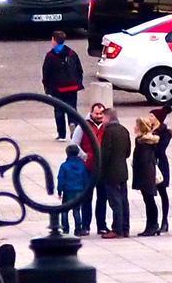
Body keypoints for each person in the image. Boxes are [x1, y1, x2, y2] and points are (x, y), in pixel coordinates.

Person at [69, 102, 108, 236]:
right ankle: (85, 226)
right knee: (87, 198)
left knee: (103, 197)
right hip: (88, 168)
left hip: (103, 167)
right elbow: (74, 143)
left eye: (101, 113)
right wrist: (85, 156)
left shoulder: (107, 126)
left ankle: (102, 225)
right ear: (91, 113)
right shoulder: (83, 126)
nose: (98, 116)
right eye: (96, 113)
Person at [42, 30, 84, 140]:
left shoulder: (50, 56)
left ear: (54, 41)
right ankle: (73, 124)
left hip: (58, 88)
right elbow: (79, 69)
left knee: (59, 110)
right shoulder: (72, 53)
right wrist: (78, 82)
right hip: (72, 86)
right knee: (72, 108)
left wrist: (47, 87)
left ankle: (61, 135)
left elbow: (46, 72)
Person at [99, 107, 131, 238]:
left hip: (111, 172)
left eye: (103, 117)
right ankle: (125, 228)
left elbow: (105, 154)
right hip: (123, 170)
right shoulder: (124, 130)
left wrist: (100, 170)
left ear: (108, 118)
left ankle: (117, 229)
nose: (102, 120)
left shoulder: (109, 132)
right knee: (124, 200)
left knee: (115, 201)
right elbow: (128, 152)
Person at [131, 116, 161, 236]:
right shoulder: (145, 142)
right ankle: (153, 224)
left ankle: (152, 225)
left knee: (149, 201)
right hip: (148, 173)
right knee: (149, 200)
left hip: (146, 174)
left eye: (136, 125)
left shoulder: (143, 143)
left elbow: (143, 160)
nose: (134, 127)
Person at [149, 106, 172, 232]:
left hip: (160, 164)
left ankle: (165, 220)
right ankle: (153, 221)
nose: (149, 118)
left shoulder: (165, 133)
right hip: (150, 164)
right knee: (149, 193)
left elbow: (160, 149)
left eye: (152, 116)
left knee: (162, 192)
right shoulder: (148, 130)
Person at [57, 143, 90, 234]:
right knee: (76, 210)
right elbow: (85, 178)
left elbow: (61, 178)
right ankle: (78, 228)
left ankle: (65, 228)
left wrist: (59, 190)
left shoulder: (64, 166)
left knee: (64, 210)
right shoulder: (82, 165)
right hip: (79, 190)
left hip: (68, 191)